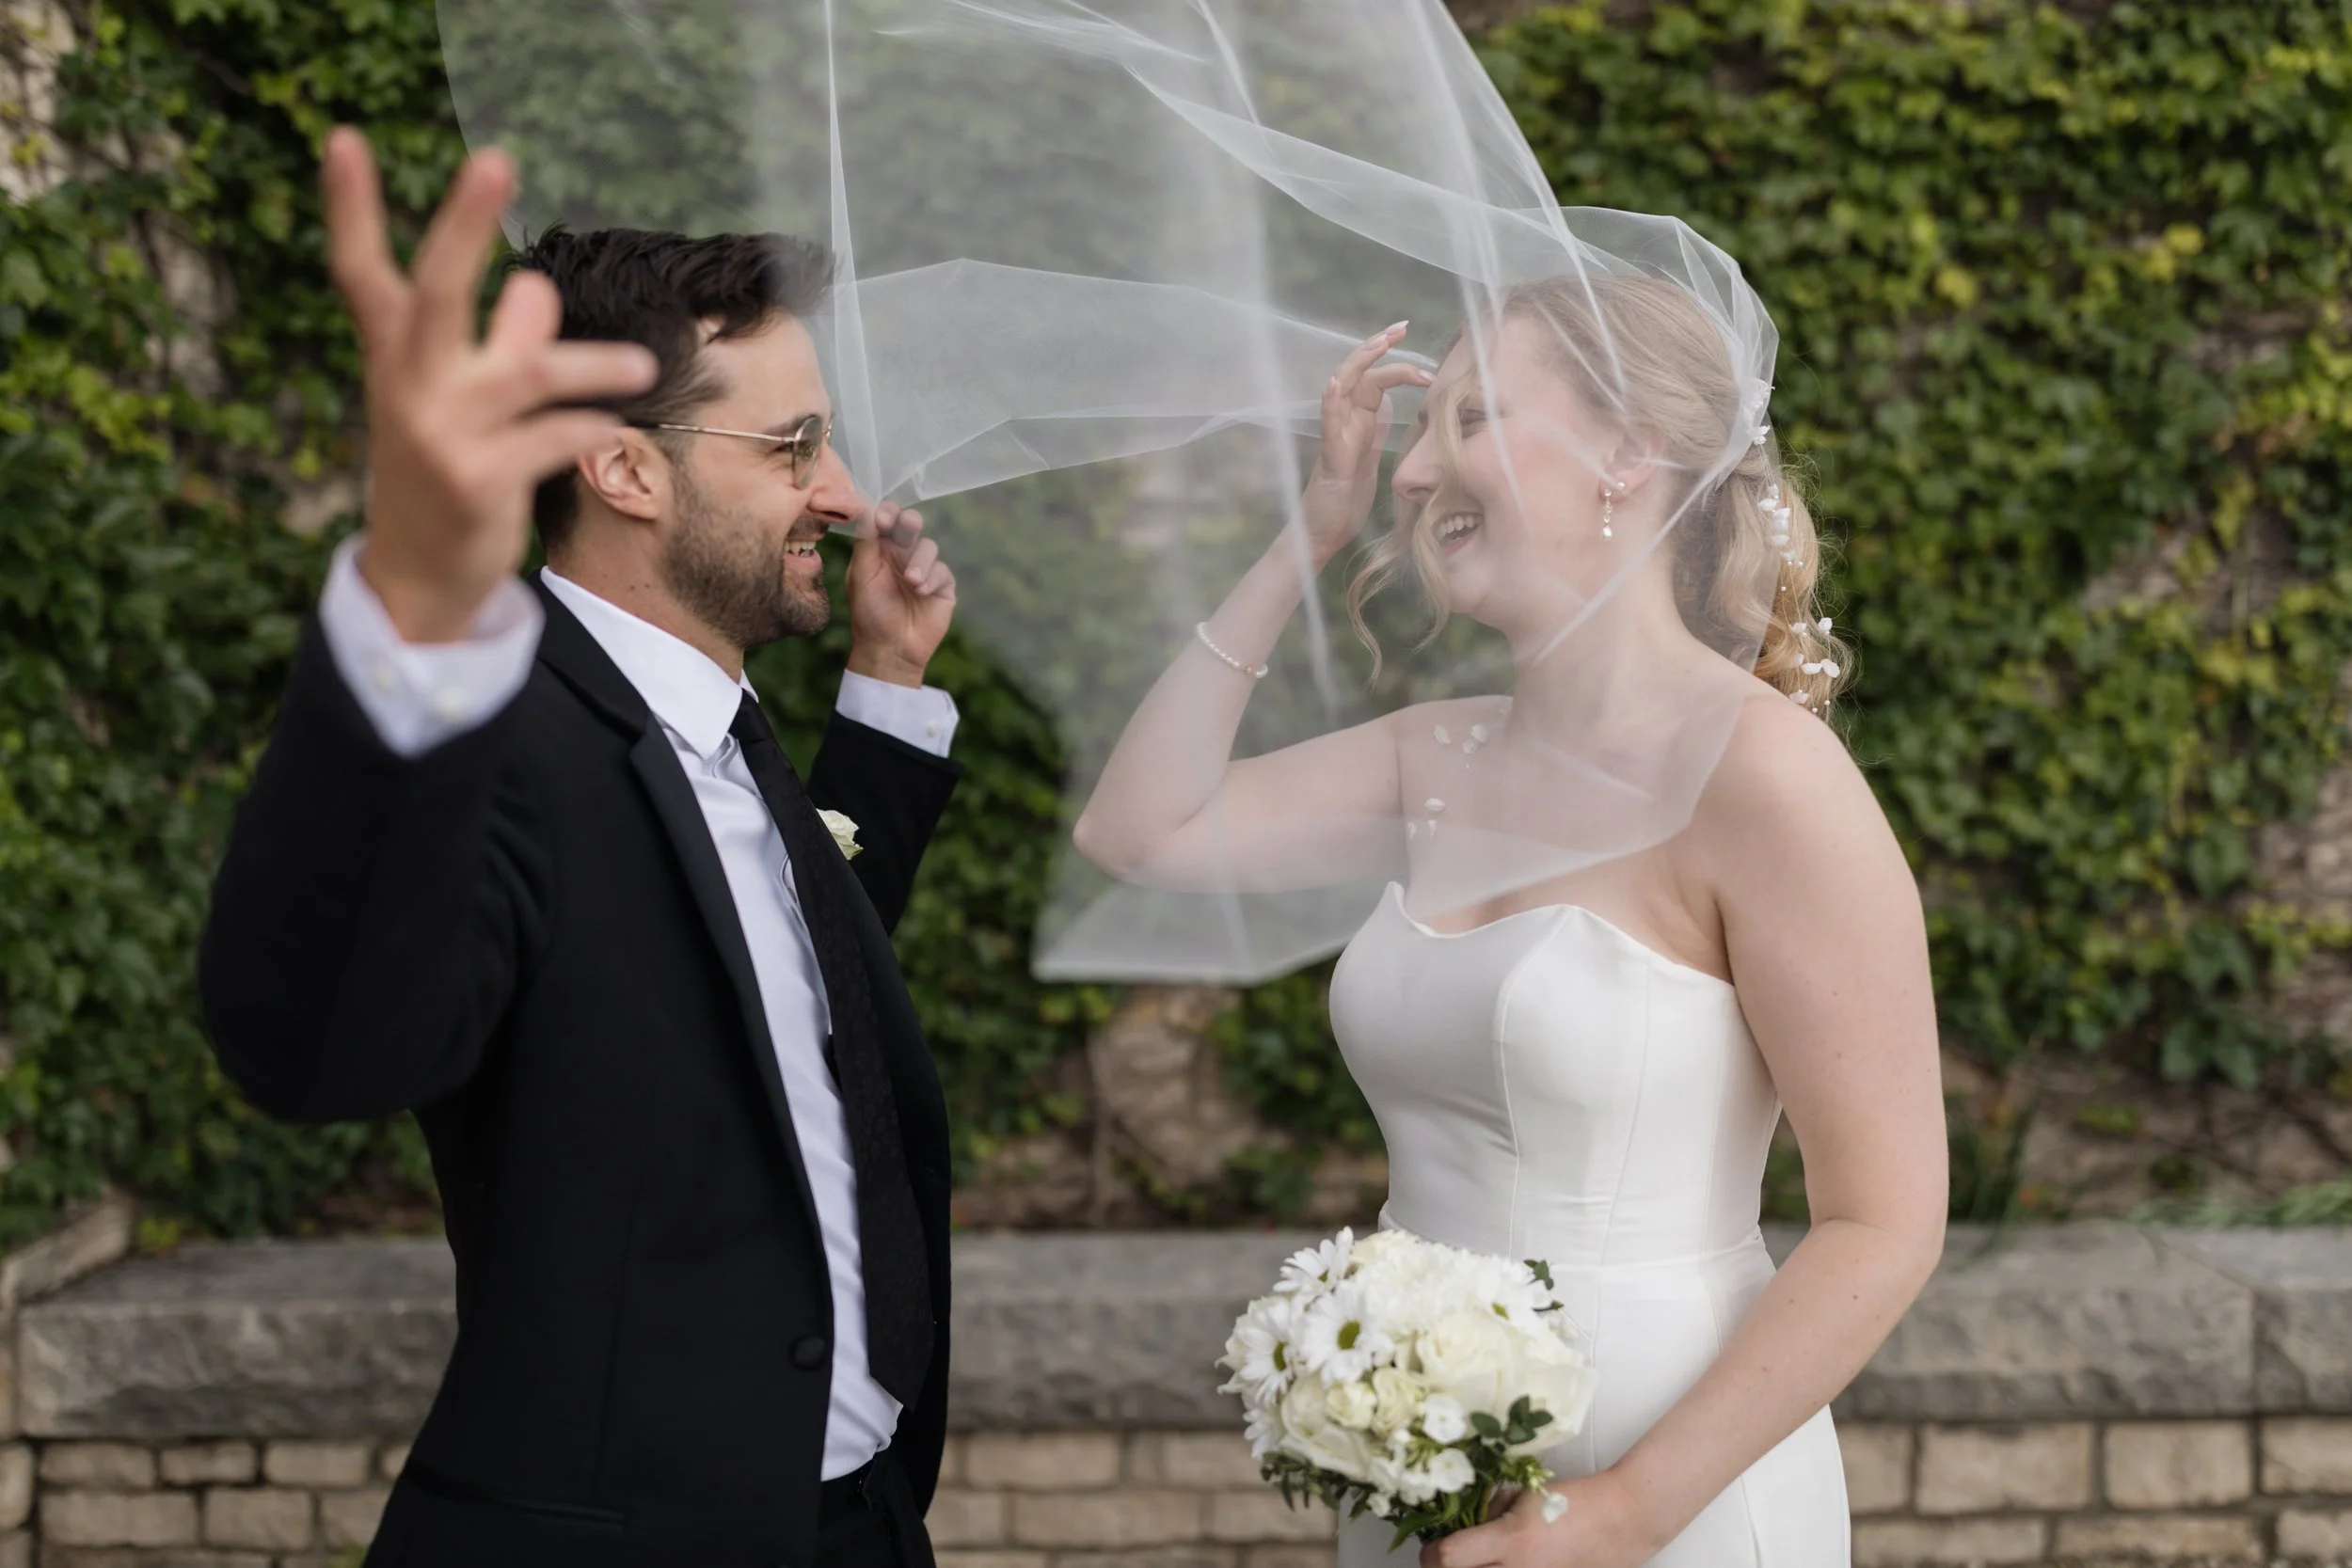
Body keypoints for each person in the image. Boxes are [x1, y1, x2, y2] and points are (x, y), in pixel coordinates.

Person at [1073, 276, 1949, 1566]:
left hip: (1672, 1495)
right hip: (1417, 1465)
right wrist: (1307, 537)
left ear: (1629, 454)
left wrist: (1627, 1509)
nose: (1415, 472)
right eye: (1421, 430)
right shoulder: (1432, 757)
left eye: (1472, 419)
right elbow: (1139, 830)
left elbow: (1885, 1222)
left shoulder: (1765, 778)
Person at [199, 129, 962, 1568]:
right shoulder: (499, 742)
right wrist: (410, 604)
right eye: (792, 445)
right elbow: (321, 1048)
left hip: (860, 1525)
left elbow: (781, 997)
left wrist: (888, 688)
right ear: (624, 468)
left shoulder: (721, 722)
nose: (844, 491)